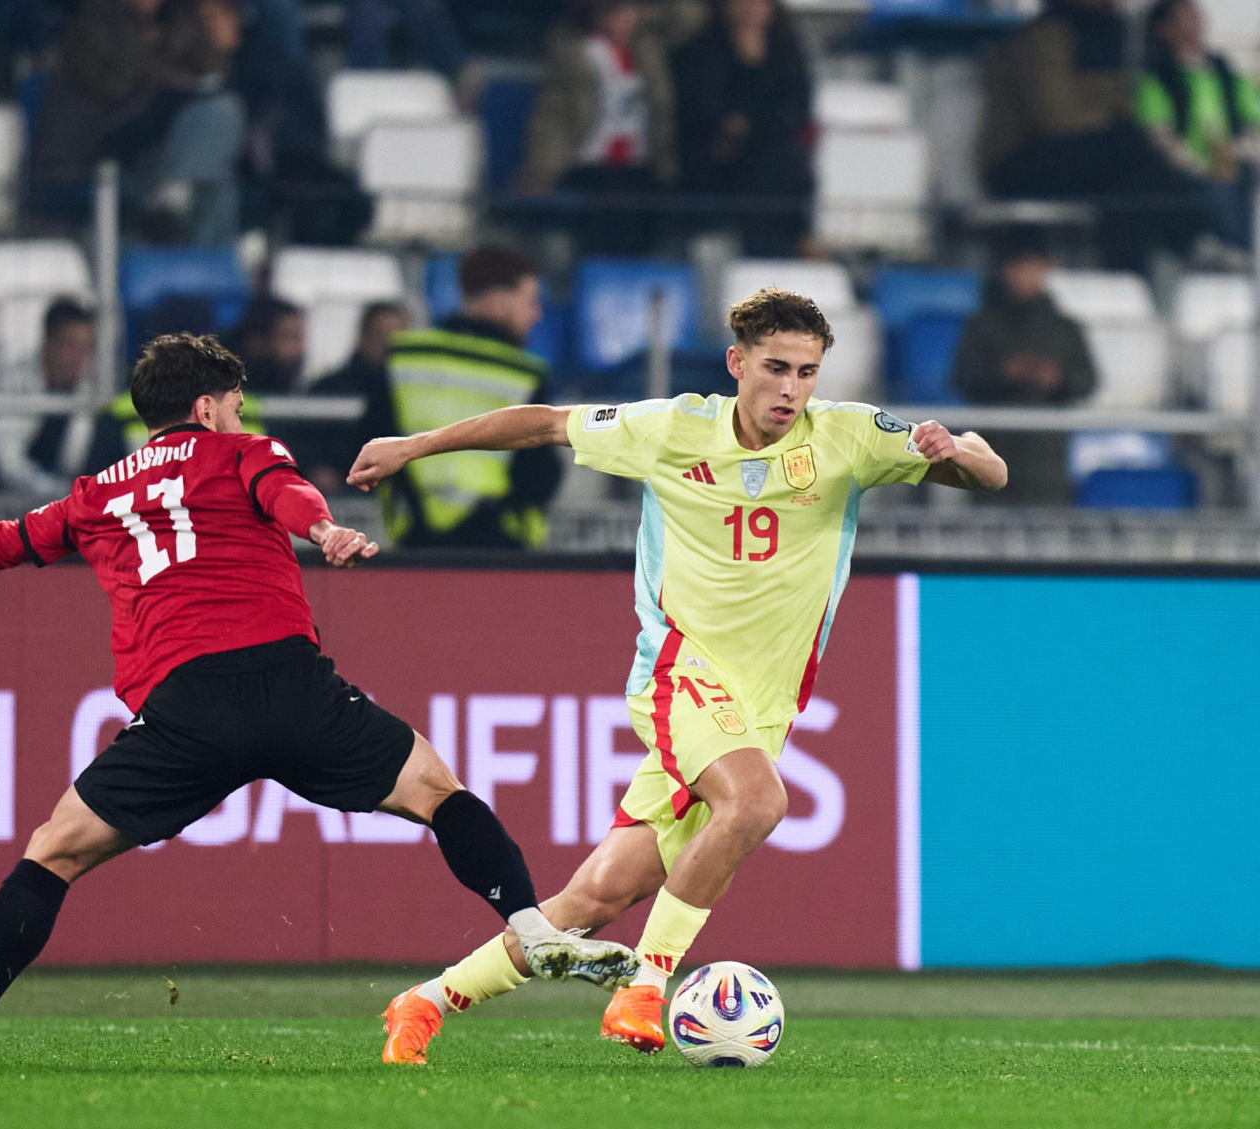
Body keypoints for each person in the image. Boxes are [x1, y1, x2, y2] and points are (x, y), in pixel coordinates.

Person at [0, 333, 638, 1065]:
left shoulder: (93, 496)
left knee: (55, 852)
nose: (239, 416)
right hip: (291, 685)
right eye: (236, 405)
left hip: (186, 711)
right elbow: (290, 497)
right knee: (437, 792)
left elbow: (3, 540)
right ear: (207, 405)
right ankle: (531, 930)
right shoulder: (238, 452)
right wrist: (323, 534)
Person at [350, 288, 1008, 1064]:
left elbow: (989, 473)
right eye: (775, 368)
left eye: (807, 371)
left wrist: (955, 451)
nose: (791, 389)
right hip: (681, 670)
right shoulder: (671, 428)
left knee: (592, 901)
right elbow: (543, 424)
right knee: (759, 801)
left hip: (761, 710)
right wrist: (414, 445)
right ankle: (648, 983)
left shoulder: (850, 437)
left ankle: (423, 1003)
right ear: (738, 364)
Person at [979, 0, 1220, 272]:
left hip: (1078, 154)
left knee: (1151, 161)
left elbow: (1131, 104)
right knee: (1130, 152)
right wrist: (1112, 112)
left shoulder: (1117, 37)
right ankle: (1146, 260)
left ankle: (1167, 255)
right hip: (1017, 162)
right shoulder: (1048, 35)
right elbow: (1055, 118)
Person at [374, 246, 562, 549]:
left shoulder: (405, 355)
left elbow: (373, 440)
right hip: (498, 545)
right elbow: (539, 475)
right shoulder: (523, 372)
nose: (536, 314)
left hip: (413, 539)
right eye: (530, 301)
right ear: (496, 299)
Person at [32, 0, 245, 246]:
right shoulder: (93, 25)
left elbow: (214, 72)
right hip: (94, 157)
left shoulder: (176, 20)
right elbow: (125, 84)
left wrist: (202, 25)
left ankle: (177, 204)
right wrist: (185, 84)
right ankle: (194, 255)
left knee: (220, 132)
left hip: (148, 156)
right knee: (212, 163)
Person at [952, 231, 1096, 505]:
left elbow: (1087, 380)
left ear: (1046, 268)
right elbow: (962, 378)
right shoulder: (982, 325)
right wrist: (1002, 375)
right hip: (993, 453)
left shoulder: (1065, 329)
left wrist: (1056, 380)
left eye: (1030, 265)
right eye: (1015, 266)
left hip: (1046, 461)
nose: (1022, 274)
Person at [519, 0, 676, 251]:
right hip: (590, 162)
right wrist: (542, 170)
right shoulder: (575, 53)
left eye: (629, 10)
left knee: (649, 205)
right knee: (608, 207)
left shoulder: (648, 49)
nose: (622, 19)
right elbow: (553, 117)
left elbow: (688, 17)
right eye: (613, 11)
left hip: (642, 163)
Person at [670, 0, 815, 257]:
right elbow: (701, 120)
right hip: (716, 187)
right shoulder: (698, 53)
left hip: (777, 190)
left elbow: (796, 112)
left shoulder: (787, 53)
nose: (749, 9)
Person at [1137, 0, 1260, 254]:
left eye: (1196, 14)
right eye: (1185, 15)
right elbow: (1160, 137)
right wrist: (1202, 167)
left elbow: (1254, 120)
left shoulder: (1226, 74)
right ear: (1165, 28)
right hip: (1187, 177)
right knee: (1218, 189)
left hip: (1236, 166)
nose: (1195, 21)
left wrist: (1239, 151)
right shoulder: (1157, 80)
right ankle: (1240, 252)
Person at [0, 299, 102, 500]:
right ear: (49, 342)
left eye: (86, 348)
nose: (79, 358)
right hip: (7, 500)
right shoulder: (12, 384)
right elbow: (8, 463)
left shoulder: (92, 390)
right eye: (70, 345)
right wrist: (59, 495)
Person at [304, 301, 411, 487]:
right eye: (382, 336)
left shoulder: (408, 394)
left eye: (399, 339)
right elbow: (304, 442)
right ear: (364, 336)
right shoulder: (328, 387)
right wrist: (315, 468)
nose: (389, 346)